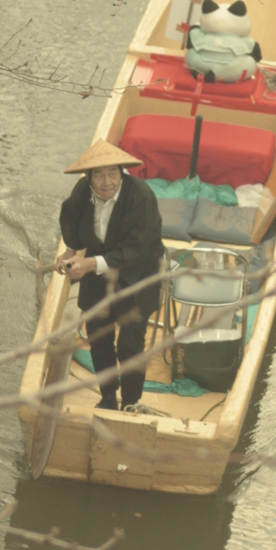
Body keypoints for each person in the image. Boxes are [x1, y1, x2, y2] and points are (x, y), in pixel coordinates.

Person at [54, 139, 164, 410]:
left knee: (129, 344)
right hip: (98, 274)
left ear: (122, 172)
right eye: (99, 175)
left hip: (138, 275)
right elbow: (70, 217)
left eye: (113, 173)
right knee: (99, 338)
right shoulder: (82, 191)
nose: (107, 182)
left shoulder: (141, 197)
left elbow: (135, 250)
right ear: (89, 177)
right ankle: (107, 397)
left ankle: (130, 402)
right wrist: (69, 252)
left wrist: (89, 263)